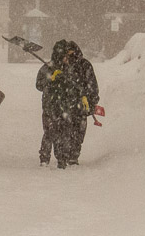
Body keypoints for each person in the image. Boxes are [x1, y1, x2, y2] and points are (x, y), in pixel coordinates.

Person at [36, 39, 99, 169]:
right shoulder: (53, 66)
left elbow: (91, 86)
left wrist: (90, 102)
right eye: (66, 55)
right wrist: (51, 79)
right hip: (58, 106)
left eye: (70, 55)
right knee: (54, 131)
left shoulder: (83, 66)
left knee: (77, 132)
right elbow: (40, 84)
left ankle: (72, 157)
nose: (68, 58)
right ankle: (58, 157)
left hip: (77, 105)